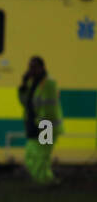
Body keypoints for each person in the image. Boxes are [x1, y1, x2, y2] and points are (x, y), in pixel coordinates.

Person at [19, 55, 62, 184]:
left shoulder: (49, 83)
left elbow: (50, 108)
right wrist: (23, 86)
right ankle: (44, 180)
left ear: (42, 68)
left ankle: (45, 181)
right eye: (30, 67)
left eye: (34, 67)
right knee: (30, 156)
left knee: (42, 157)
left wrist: (42, 123)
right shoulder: (33, 84)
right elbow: (25, 102)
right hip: (34, 124)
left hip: (46, 125)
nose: (31, 70)